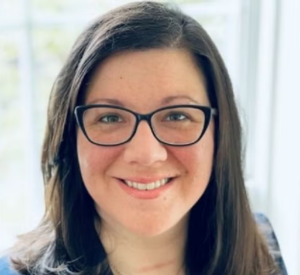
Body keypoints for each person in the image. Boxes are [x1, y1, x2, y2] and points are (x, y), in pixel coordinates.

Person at [0, 1, 287, 275]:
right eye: (110, 118)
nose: (146, 153)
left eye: (176, 116)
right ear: (69, 138)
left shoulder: (260, 246)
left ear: (220, 131)